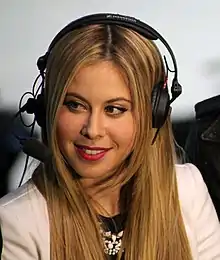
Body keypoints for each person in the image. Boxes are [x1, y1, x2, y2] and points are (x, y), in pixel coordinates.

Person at [0, 13, 220, 260]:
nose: (93, 130)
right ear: (46, 108)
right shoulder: (15, 221)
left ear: (154, 114)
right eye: (74, 105)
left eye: (114, 109)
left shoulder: (187, 190)